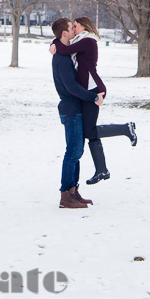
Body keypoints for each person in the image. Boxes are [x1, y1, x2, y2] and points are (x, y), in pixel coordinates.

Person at [50, 15, 137, 185]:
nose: (73, 29)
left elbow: (66, 49)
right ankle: (101, 170)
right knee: (88, 131)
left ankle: (126, 129)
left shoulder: (88, 41)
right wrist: (54, 41)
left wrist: (55, 43)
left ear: (83, 26)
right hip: (87, 92)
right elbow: (64, 43)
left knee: (89, 131)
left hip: (93, 91)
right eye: (71, 27)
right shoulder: (79, 41)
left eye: (75, 26)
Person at [51, 17, 103, 209]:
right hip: (71, 110)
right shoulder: (61, 59)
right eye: (71, 28)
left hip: (75, 109)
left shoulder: (64, 52)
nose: (74, 30)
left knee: (77, 152)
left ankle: (73, 191)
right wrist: (92, 98)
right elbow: (72, 87)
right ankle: (66, 195)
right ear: (65, 33)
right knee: (72, 152)